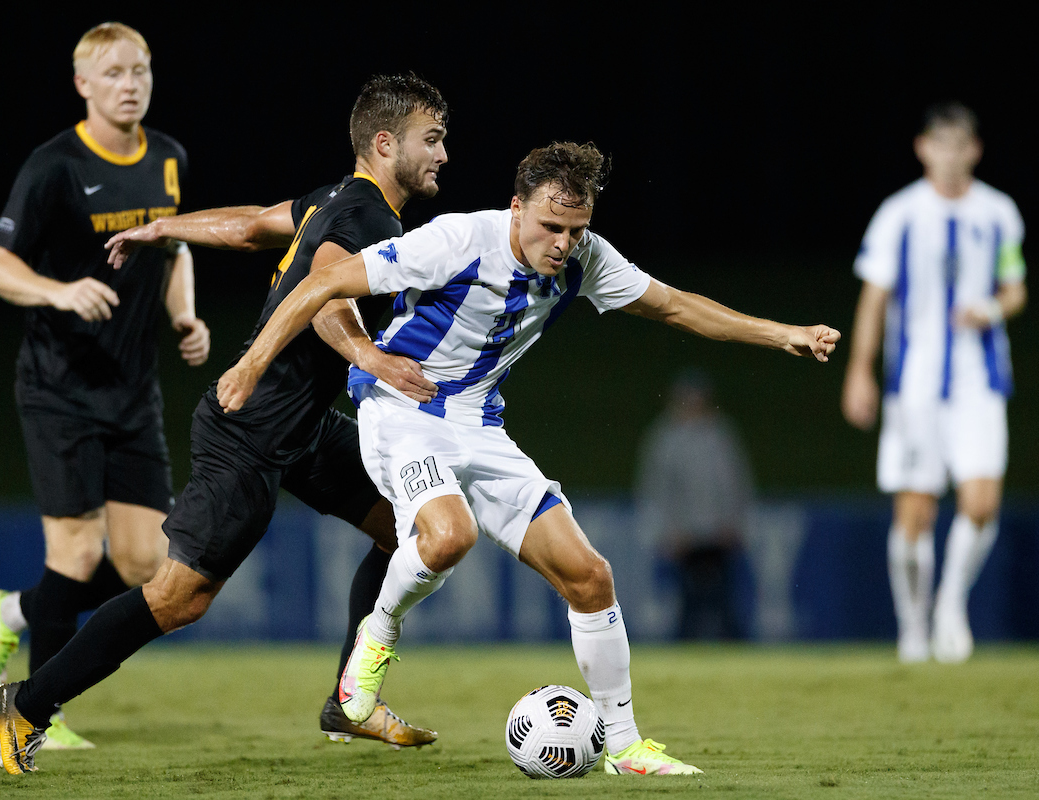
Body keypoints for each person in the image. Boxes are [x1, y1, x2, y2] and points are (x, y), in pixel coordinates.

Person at [211, 141, 839, 776]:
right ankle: (372, 650)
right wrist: (251, 364)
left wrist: (782, 334)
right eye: (550, 226)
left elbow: (673, 305)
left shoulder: (585, 257)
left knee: (590, 576)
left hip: (481, 427)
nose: (563, 244)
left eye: (576, 229)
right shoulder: (457, 240)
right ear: (516, 207)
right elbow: (323, 282)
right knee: (450, 536)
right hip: (403, 410)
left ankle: (625, 748)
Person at [0, 73, 450, 774]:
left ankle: (348, 701)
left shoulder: (334, 198)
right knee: (178, 598)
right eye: (432, 139)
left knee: (406, 528)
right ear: (385, 144)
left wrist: (164, 227)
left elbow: (253, 225)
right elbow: (325, 295)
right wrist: (369, 355)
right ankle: (26, 703)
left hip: (302, 427)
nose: (443, 154)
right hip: (249, 429)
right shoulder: (370, 219)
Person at [0, 22, 211, 750]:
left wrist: (185, 316)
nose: (129, 84)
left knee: (147, 565)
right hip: (59, 389)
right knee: (75, 555)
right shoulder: (54, 165)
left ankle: (11, 613)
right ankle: (36, 717)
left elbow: (174, 248)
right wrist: (59, 292)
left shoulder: (168, 157)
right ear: (82, 84)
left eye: (140, 70)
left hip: (132, 392)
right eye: (112, 73)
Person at [841, 102, 1027, 664]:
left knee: (982, 502)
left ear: (975, 150)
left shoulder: (999, 212)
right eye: (940, 143)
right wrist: (859, 370)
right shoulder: (899, 213)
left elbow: (1015, 288)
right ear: (923, 148)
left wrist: (989, 310)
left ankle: (950, 603)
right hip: (915, 385)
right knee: (915, 514)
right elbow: (874, 297)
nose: (950, 155)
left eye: (960, 144)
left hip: (979, 381)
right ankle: (913, 627)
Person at [635, 369, 754, 640]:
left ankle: (731, 647)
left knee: (725, 600)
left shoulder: (720, 433)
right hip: (684, 535)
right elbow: (656, 489)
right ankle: (685, 645)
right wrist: (667, 531)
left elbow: (736, 483)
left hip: (718, 532)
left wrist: (735, 524)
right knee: (686, 602)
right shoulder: (665, 437)